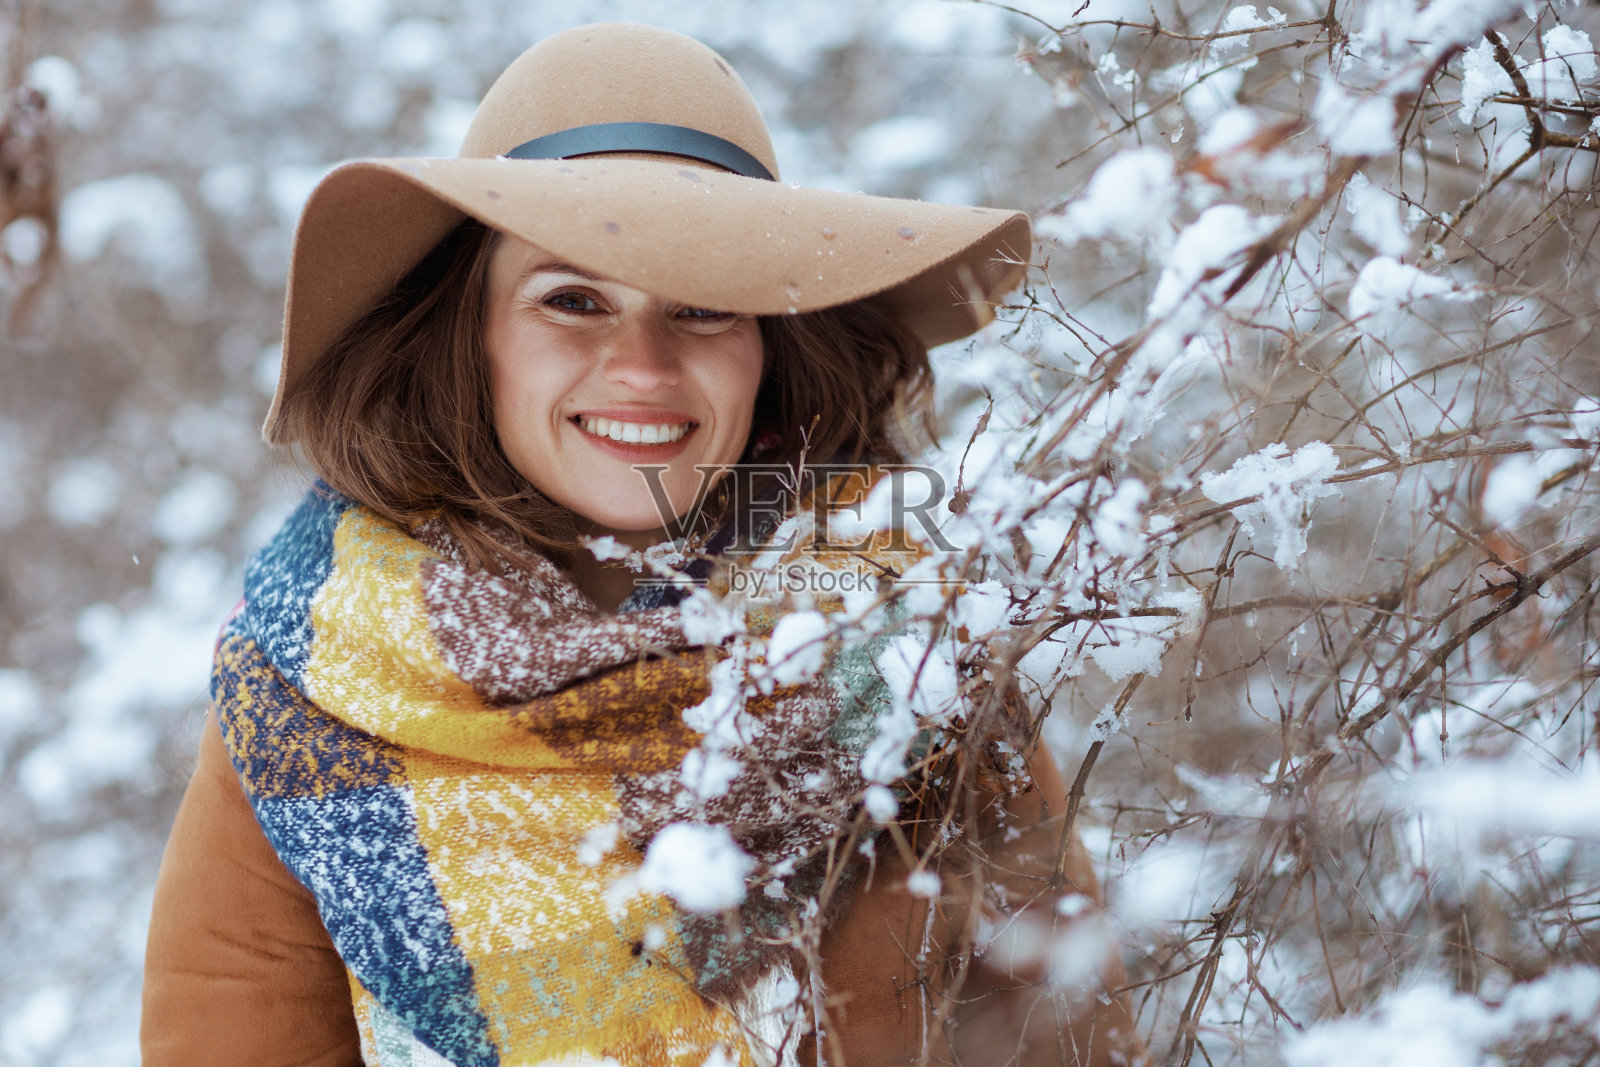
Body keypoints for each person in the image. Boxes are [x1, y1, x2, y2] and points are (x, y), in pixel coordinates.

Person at [141, 22, 1141, 1067]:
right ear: (468, 337)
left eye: (703, 307)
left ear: (769, 342)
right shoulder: (314, 684)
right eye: (572, 300)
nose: (643, 368)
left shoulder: (915, 645)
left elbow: (1067, 1033)